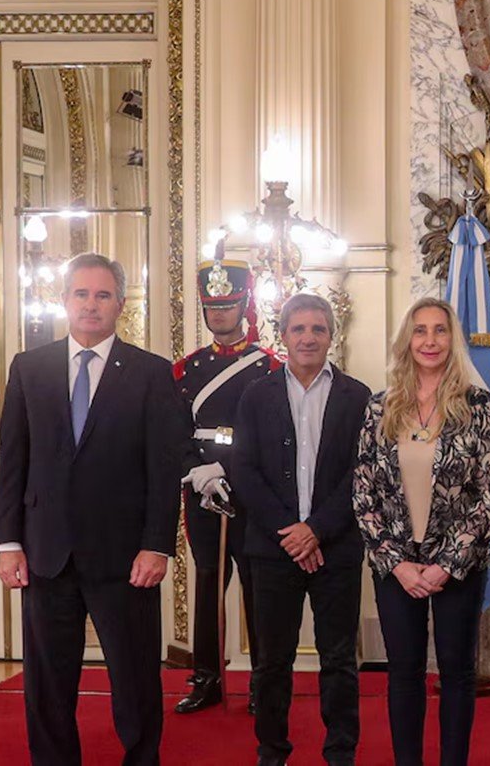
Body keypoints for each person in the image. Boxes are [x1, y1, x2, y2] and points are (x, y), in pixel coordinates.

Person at [0, 252, 185, 765]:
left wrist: (157, 544)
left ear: (120, 304)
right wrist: (7, 542)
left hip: (126, 559)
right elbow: (12, 461)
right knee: (48, 685)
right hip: (45, 554)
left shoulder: (150, 373)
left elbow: (164, 471)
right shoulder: (28, 368)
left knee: (136, 681)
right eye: (81, 293)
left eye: (103, 295)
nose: (91, 304)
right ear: (64, 300)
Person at [353, 297, 490, 766]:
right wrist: (397, 564)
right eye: (420, 330)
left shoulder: (477, 407)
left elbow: (489, 495)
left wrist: (446, 565)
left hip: (457, 565)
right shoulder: (380, 407)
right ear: (408, 340)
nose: (430, 340)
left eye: (440, 330)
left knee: (457, 673)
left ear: (452, 340)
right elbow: (363, 494)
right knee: (404, 673)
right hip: (396, 564)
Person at [232, 293, 371, 766]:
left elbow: (363, 474)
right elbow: (245, 471)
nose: (309, 337)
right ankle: (271, 752)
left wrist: (315, 530)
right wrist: (291, 532)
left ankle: (340, 754)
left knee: (338, 661)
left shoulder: (358, 397)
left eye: (318, 329)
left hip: (337, 550)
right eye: (299, 329)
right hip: (273, 552)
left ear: (332, 335)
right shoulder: (256, 394)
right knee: (272, 663)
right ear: (284, 335)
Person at [174, 250, 282, 715]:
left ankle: (263, 680)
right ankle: (207, 677)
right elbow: (172, 432)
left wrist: (229, 470)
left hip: (250, 489)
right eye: (213, 307)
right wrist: (198, 472)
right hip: (201, 489)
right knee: (206, 581)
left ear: (245, 306)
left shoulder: (269, 367)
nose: (220, 313)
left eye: (228, 305)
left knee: (258, 584)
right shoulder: (185, 369)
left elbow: (274, 438)